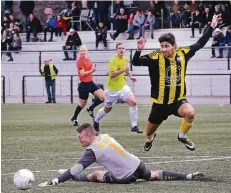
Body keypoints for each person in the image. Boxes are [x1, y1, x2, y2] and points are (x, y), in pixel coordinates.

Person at [132, 15, 221, 151]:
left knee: (190, 112)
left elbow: (200, 44)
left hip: (177, 101)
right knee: (148, 132)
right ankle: (150, 139)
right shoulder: (156, 57)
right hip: (159, 104)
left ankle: (182, 136)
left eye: (166, 46)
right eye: (161, 46)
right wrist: (138, 50)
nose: (163, 49)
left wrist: (212, 27)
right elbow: (136, 62)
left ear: (173, 46)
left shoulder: (183, 53)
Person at [38, 123, 204, 187]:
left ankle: (65, 176)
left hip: (126, 177)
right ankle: (188, 176)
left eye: (80, 137)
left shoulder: (92, 151)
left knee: (95, 174)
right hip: (139, 165)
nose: (78, 140)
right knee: (154, 175)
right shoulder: (105, 136)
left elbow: (75, 169)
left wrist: (55, 181)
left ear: (89, 136)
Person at [93, 43, 142, 133]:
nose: (121, 50)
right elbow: (111, 74)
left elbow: (126, 70)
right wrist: (123, 70)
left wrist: (131, 77)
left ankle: (134, 126)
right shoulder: (113, 61)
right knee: (107, 108)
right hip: (112, 89)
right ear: (116, 50)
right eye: (119, 48)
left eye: (123, 48)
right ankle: (96, 120)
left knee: (133, 102)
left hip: (123, 87)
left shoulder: (125, 59)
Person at [71, 45, 104, 126]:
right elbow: (82, 73)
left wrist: (93, 70)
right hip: (83, 85)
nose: (83, 52)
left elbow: (89, 70)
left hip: (90, 83)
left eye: (84, 50)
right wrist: (92, 71)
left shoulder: (88, 59)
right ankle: (74, 117)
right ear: (79, 52)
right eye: (81, 51)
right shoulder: (79, 61)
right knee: (82, 104)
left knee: (103, 97)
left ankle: (91, 108)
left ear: (87, 51)